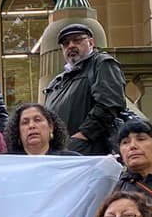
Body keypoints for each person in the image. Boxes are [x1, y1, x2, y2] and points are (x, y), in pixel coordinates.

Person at [41, 23, 126, 156]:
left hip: (90, 151)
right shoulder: (57, 81)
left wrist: (83, 135)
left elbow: (110, 104)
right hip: (61, 153)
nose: (71, 46)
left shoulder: (102, 64)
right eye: (66, 43)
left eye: (77, 40)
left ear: (91, 43)